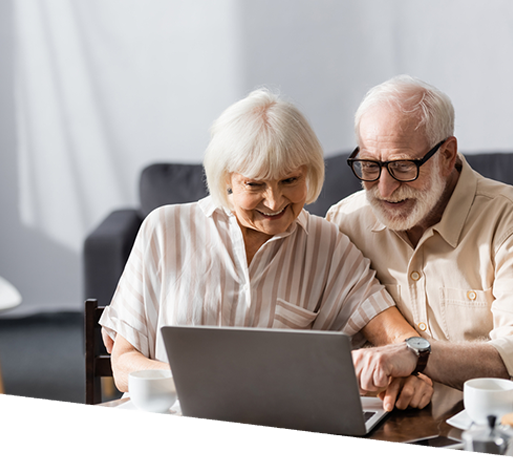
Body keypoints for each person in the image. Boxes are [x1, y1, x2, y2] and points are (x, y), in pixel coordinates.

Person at [99, 88, 433, 411]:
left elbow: (399, 336)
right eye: (255, 184)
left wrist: (412, 370)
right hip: (171, 424)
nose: (274, 202)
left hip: (277, 431)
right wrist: (207, 382)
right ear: (226, 179)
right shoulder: (164, 229)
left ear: (310, 174)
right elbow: (124, 366)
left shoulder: (327, 244)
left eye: (290, 180)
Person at [326, 75, 513, 400]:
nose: (384, 189)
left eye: (402, 166)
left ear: (446, 155)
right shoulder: (345, 222)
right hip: (406, 426)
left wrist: (417, 355)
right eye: (370, 165)